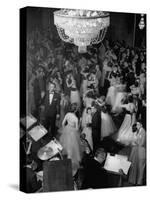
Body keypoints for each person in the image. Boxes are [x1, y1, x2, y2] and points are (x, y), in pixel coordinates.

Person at [59, 103, 83, 176]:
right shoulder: (76, 118)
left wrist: (65, 130)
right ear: (76, 110)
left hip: (67, 130)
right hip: (73, 134)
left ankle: (66, 162)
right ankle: (70, 165)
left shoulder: (67, 114)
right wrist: (80, 122)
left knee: (66, 147)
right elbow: (77, 129)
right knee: (73, 149)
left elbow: (63, 123)